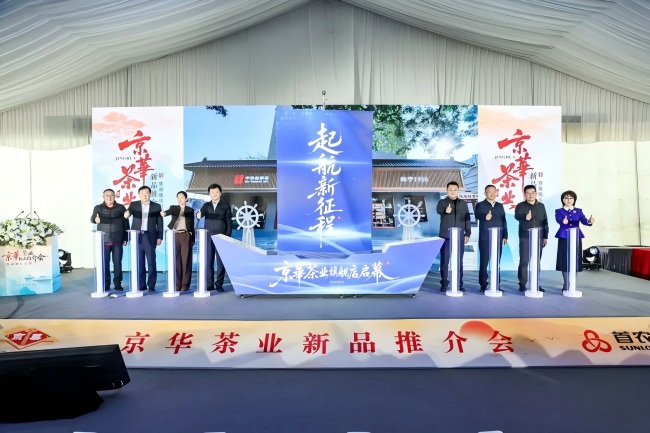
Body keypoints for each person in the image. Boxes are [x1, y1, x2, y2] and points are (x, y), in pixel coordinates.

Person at [124, 186, 163, 292]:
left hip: (150, 236)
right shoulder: (134, 204)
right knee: (139, 261)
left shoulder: (156, 206)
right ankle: (141, 285)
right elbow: (128, 212)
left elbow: (160, 223)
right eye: (142, 193)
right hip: (137, 235)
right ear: (139, 194)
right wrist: (127, 214)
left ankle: (151, 284)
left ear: (150, 194)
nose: (144, 195)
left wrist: (160, 237)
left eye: (146, 193)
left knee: (151, 261)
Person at [555, 190, 594, 291]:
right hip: (564, 237)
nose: (568, 200)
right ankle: (566, 283)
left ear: (574, 200)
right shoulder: (559, 211)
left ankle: (572, 283)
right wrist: (562, 221)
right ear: (563, 200)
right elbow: (558, 220)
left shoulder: (579, 211)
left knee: (575, 259)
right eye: (566, 198)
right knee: (564, 259)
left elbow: (584, 221)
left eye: (571, 198)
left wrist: (589, 221)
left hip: (576, 237)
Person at [90, 189, 129, 291]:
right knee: (104, 263)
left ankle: (118, 284)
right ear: (103, 197)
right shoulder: (98, 208)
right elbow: (92, 218)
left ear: (115, 196)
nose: (109, 197)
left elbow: (126, 223)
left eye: (111, 195)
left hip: (118, 239)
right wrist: (95, 220)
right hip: (104, 240)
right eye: (107, 195)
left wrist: (125, 238)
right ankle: (106, 284)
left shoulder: (121, 207)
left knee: (117, 263)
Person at [436, 181, 471, 292]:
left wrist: (468, 233)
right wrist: (445, 211)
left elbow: (467, 218)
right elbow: (438, 210)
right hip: (445, 236)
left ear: (458, 191)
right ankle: (444, 284)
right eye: (450, 190)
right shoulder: (442, 202)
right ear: (447, 190)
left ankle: (459, 284)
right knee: (444, 261)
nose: (452, 192)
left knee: (459, 261)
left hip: (459, 237)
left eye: (455, 190)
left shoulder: (463, 204)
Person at [197, 184, 232, 292]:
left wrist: (227, 236)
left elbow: (229, 222)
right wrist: (198, 214)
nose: (214, 194)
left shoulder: (225, 205)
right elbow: (200, 214)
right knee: (209, 260)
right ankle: (210, 284)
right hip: (208, 237)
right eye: (212, 192)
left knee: (221, 262)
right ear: (209, 194)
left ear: (220, 193)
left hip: (222, 236)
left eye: (216, 192)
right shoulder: (206, 205)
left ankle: (219, 284)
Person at [514, 185, 549, 292]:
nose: (531, 195)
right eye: (528, 193)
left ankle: (536, 283)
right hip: (525, 236)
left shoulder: (541, 206)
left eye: (533, 192)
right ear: (524, 194)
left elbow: (545, 222)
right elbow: (517, 216)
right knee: (524, 260)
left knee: (536, 261)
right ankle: (522, 283)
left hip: (539, 237)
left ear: (536, 193)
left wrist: (545, 236)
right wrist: (525, 217)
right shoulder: (520, 206)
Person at [475, 184, 508, 292]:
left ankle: (496, 284)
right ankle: (483, 285)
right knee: (484, 262)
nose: (492, 193)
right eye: (489, 191)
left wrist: (505, 235)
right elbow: (477, 215)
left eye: (494, 191)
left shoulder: (499, 206)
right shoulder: (480, 205)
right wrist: (485, 217)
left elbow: (504, 221)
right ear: (485, 193)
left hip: (498, 237)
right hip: (485, 237)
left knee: (496, 262)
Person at [161, 191, 196, 292]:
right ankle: (177, 284)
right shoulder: (174, 208)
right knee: (176, 260)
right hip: (175, 235)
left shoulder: (190, 210)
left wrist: (193, 238)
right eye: (178, 197)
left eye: (182, 197)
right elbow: (167, 212)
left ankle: (185, 284)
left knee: (186, 260)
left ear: (186, 199)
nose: (179, 199)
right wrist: (164, 213)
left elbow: (192, 225)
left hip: (186, 235)